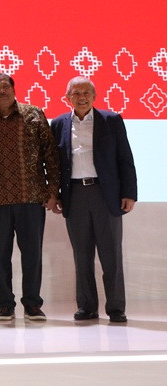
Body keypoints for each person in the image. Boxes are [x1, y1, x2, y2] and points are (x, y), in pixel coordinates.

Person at [51, 77, 137, 324]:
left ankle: (116, 308)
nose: (82, 97)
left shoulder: (111, 120)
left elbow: (125, 158)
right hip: (75, 194)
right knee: (82, 254)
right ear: (67, 97)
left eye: (86, 93)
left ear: (94, 96)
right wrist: (55, 194)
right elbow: (54, 163)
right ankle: (87, 306)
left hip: (105, 194)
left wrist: (129, 193)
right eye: (76, 93)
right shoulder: (58, 124)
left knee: (111, 255)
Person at [0, 72, 59, 322]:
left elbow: (51, 154)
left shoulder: (34, 114)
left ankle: (32, 303)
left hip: (31, 198)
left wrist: (53, 190)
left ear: (14, 89)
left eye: (6, 86)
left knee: (32, 254)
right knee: (0, 256)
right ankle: (5, 304)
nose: (2, 91)